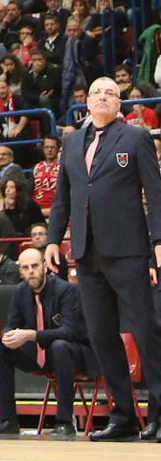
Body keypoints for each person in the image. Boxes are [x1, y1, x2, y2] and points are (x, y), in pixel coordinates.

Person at [46, 75, 161, 440]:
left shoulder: (136, 138)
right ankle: (123, 416)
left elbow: (155, 194)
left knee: (145, 332)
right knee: (101, 335)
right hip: (86, 252)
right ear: (87, 101)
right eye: (97, 92)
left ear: (119, 103)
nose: (102, 97)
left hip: (128, 250)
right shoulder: (70, 142)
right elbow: (62, 198)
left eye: (110, 93)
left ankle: (159, 414)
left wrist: (159, 240)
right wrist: (53, 240)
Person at [0, 247, 99, 439]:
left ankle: (64, 422)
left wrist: (31, 335)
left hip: (78, 352)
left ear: (45, 267)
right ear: (20, 272)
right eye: (26, 268)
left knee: (60, 345)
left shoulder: (65, 290)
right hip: (44, 352)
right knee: (1, 348)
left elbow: (68, 331)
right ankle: (7, 421)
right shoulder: (20, 292)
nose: (31, 271)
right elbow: (11, 323)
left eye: (35, 266)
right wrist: (7, 336)